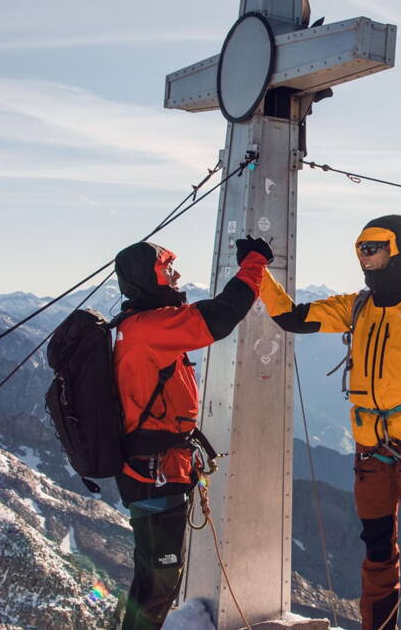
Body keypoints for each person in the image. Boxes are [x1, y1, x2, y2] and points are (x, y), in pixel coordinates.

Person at [259, 215, 401, 630]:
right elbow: (292, 317)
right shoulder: (358, 307)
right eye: (360, 249)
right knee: (376, 545)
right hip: (370, 452)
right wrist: (257, 271)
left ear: (399, 250)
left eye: (374, 248)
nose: (365, 257)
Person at [110, 235, 273, 630]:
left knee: (153, 577)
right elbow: (220, 315)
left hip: (153, 470)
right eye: (166, 269)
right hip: (156, 474)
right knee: (158, 580)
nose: (175, 275)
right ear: (146, 280)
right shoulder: (152, 328)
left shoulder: (138, 326)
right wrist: (253, 265)